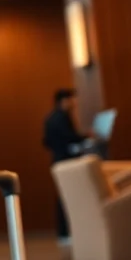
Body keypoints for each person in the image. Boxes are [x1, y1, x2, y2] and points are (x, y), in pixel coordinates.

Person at [42, 88, 89, 241]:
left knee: (63, 195)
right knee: (67, 196)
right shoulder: (62, 117)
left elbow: (46, 142)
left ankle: (63, 233)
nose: (75, 103)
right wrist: (85, 137)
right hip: (66, 160)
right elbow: (70, 137)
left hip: (57, 160)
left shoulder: (50, 117)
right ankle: (66, 232)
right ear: (65, 100)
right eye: (72, 99)